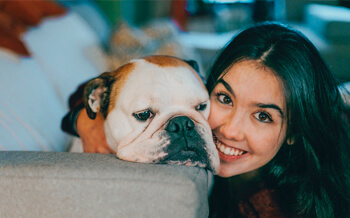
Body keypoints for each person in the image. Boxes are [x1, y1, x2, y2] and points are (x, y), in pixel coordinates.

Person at [62, 22, 350, 217]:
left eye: (263, 116)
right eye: (224, 99)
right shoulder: (189, 100)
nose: (230, 130)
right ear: (205, 85)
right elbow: (85, 91)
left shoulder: (278, 205)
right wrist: (87, 120)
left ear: (295, 130)